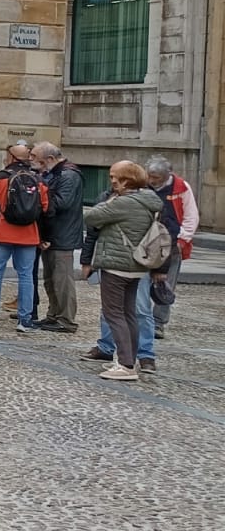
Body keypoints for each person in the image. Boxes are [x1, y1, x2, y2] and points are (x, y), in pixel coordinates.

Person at [79, 161, 162, 381]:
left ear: (128, 180)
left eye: (116, 177)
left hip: (117, 265)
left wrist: (112, 199)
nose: (112, 181)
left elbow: (92, 217)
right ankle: (130, 359)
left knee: (114, 313)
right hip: (135, 266)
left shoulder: (124, 203)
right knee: (128, 314)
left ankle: (125, 365)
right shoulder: (147, 201)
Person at [0, 142, 49, 331]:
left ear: (10, 157)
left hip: (2, 233)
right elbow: (47, 209)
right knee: (26, 276)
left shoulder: (0, 178)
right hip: (28, 235)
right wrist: (42, 235)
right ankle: (24, 319)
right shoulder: (39, 180)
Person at [32, 142, 84, 333]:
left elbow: (62, 203)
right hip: (52, 233)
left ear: (50, 159)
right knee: (50, 278)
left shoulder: (68, 175)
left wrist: (37, 196)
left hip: (63, 235)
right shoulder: (54, 173)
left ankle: (66, 319)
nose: (32, 162)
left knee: (62, 280)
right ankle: (54, 314)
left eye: (36, 159)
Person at [143, 156, 197, 340]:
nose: (152, 180)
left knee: (165, 285)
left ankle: (159, 323)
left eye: (156, 177)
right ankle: (142, 319)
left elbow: (191, 216)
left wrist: (183, 240)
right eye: (150, 175)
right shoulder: (143, 186)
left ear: (167, 175)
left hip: (172, 243)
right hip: (146, 242)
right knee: (142, 282)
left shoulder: (182, 187)